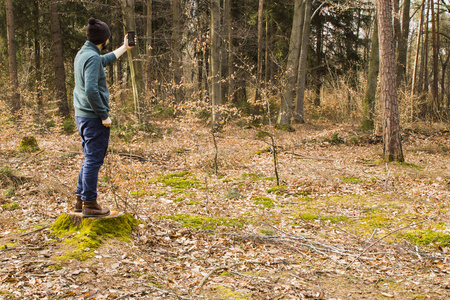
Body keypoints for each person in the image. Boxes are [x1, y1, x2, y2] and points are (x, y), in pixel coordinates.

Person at [73, 18, 135, 217]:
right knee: (93, 159)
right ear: (104, 39)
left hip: (82, 115)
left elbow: (104, 60)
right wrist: (104, 115)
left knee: (89, 158)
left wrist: (124, 48)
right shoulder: (91, 57)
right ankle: (90, 204)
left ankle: (80, 200)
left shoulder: (84, 53)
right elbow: (91, 90)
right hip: (92, 118)